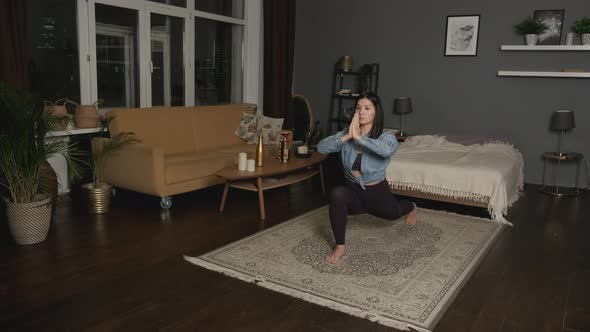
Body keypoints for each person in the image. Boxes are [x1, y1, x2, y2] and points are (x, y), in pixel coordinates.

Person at [317, 91, 417, 264]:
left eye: (367, 108)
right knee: (337, 194)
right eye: (358, 108)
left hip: (376, 192)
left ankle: (412, 206)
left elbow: (385, 150)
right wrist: (348, 136)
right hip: (353, 191)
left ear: (376, 112)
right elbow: (321, 148)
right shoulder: (347, 135)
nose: (361, 112)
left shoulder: (387, 137)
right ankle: (340, 246)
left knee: (393, 213)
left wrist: (359, 138)